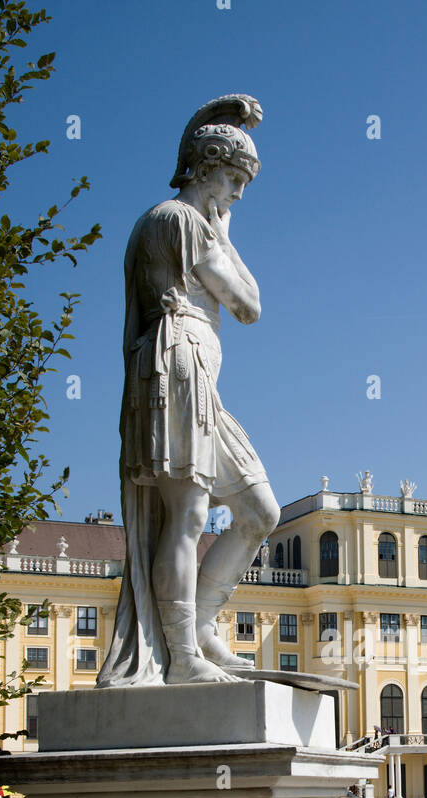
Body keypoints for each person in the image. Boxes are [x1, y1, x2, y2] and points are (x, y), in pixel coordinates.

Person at [98, 94, 281, 688]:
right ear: (204, 169)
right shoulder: (176, 222)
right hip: (175, 368)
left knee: (259, 510)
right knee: (189, 513)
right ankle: (181, 655)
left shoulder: (184, 224)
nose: (237, 195)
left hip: (197, 378)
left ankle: (199, 625)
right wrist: (223, 232)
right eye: (232, 179)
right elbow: (250, 305)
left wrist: (221, 228)